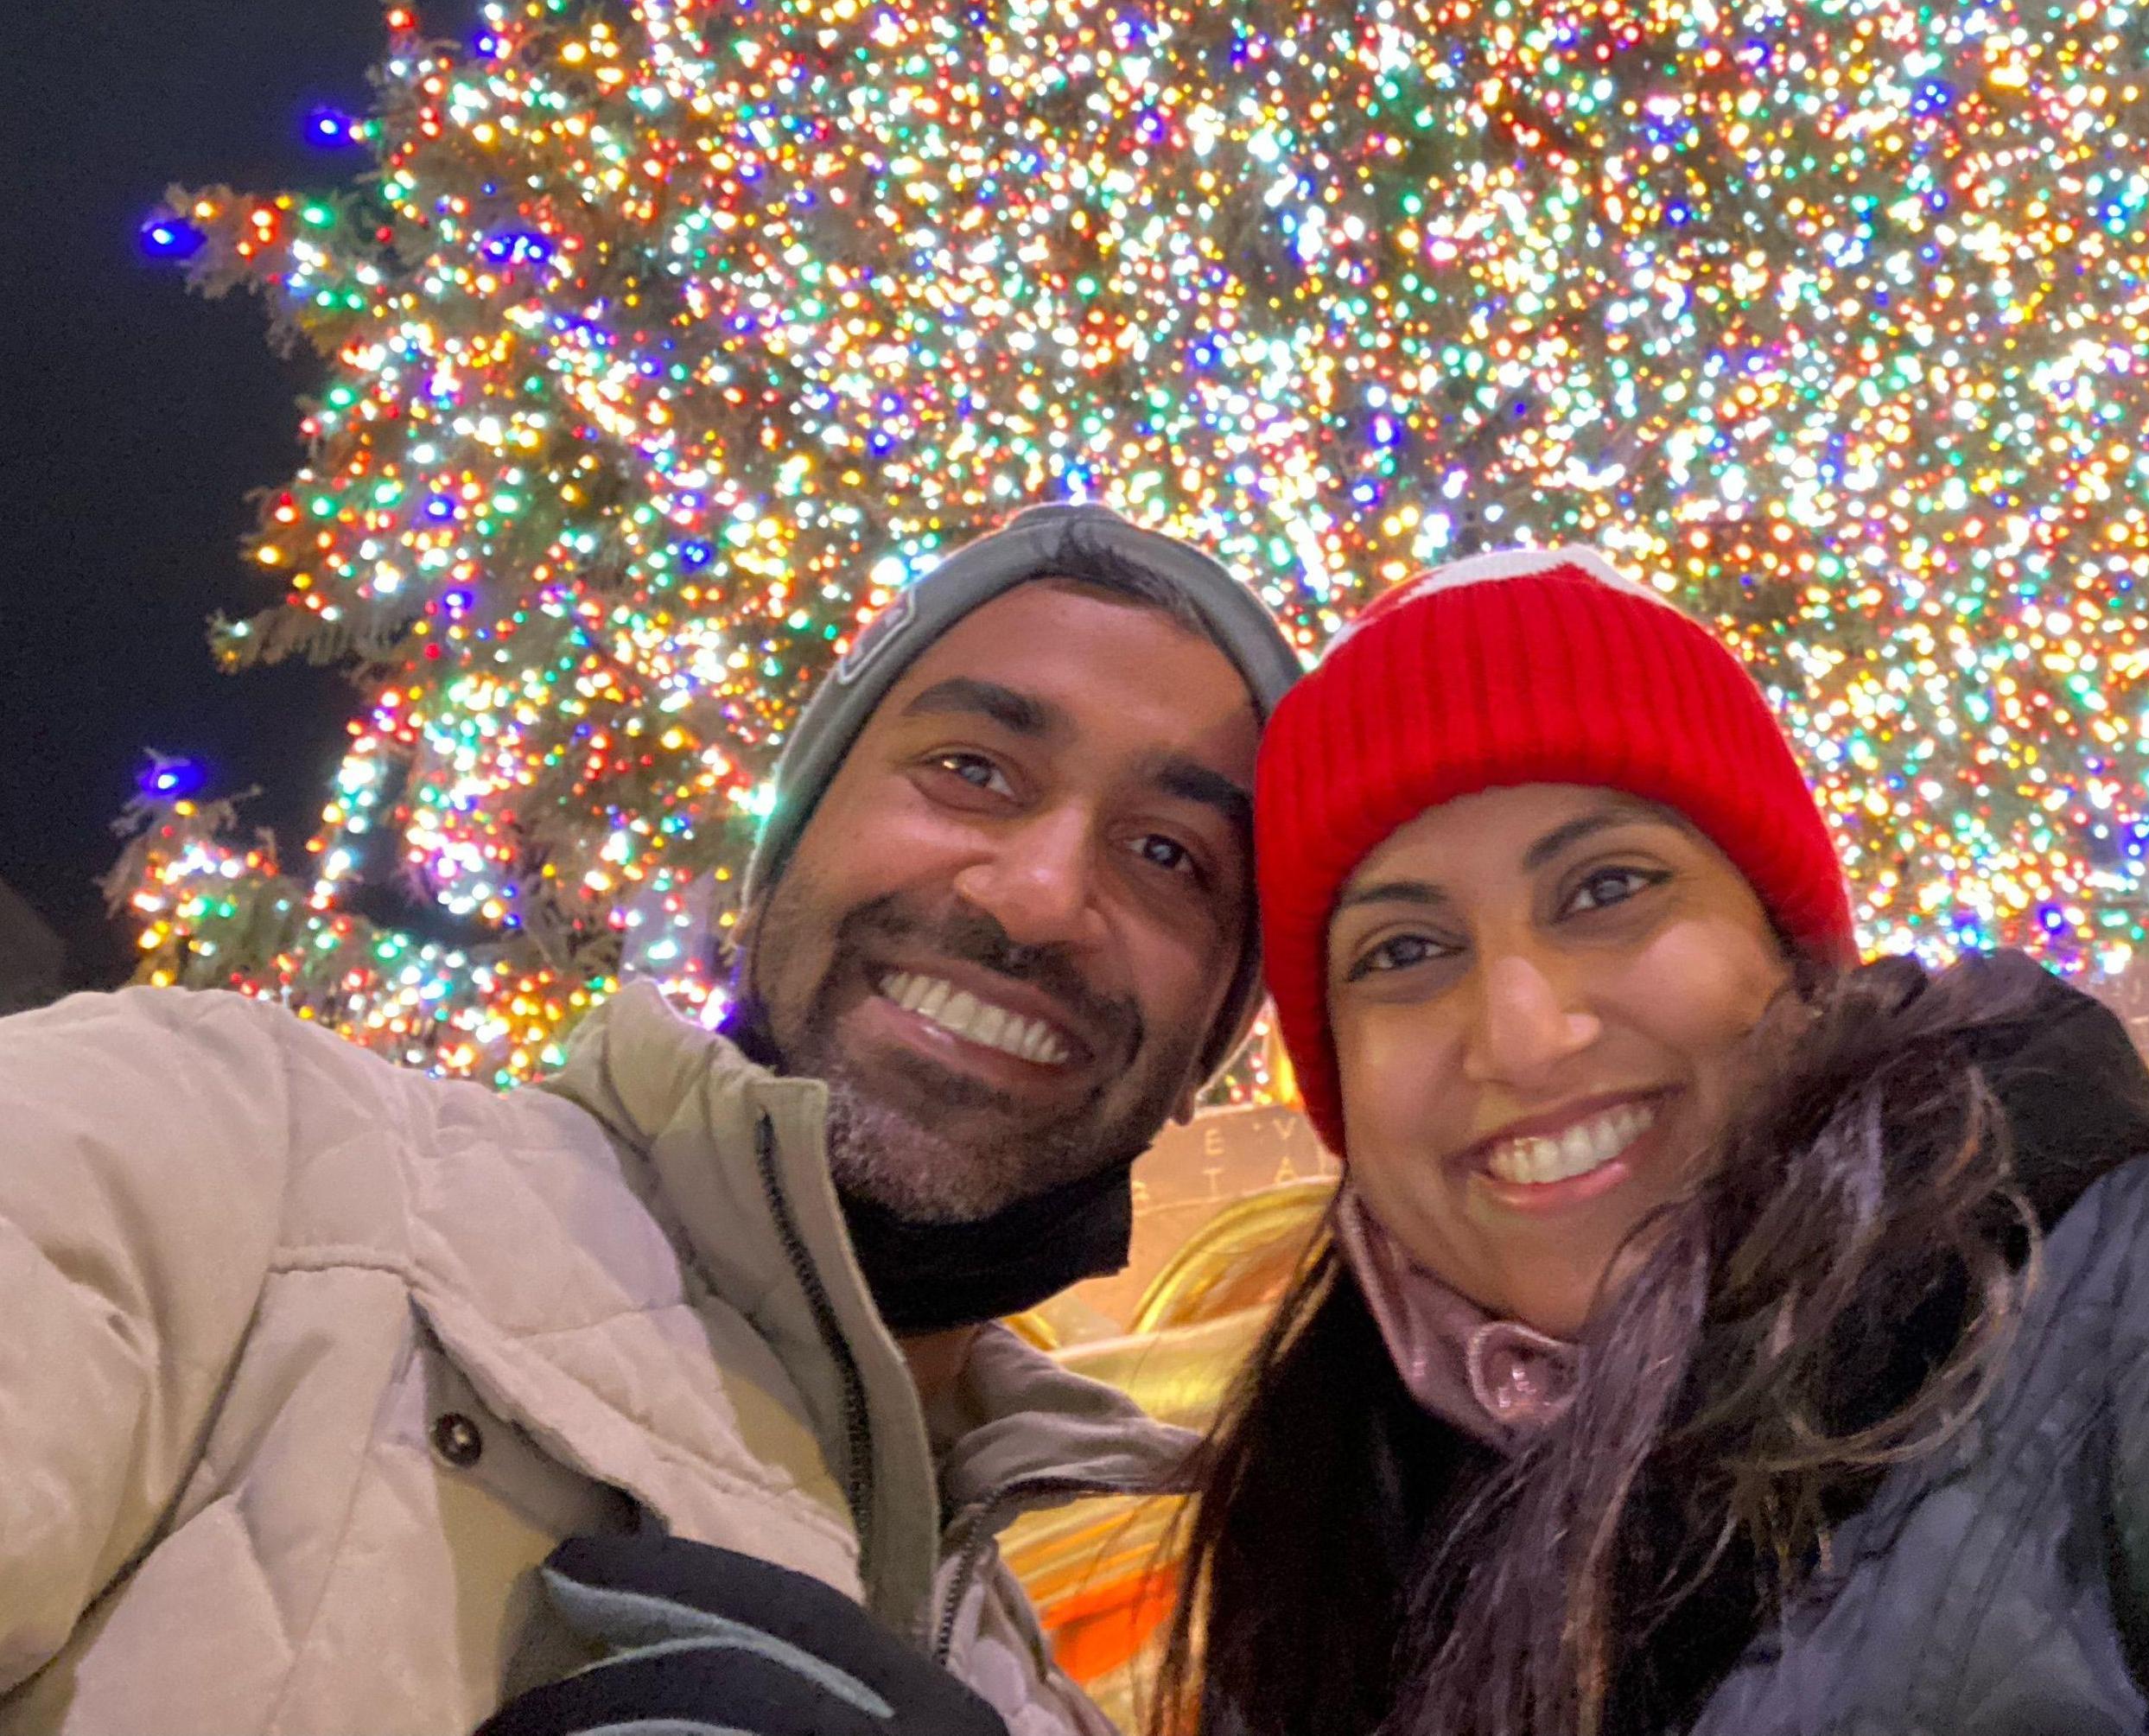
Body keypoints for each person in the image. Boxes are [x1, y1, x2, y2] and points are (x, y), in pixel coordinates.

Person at [1160, 547, 2149, 1736]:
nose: (1522, 1029)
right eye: (1405, 948)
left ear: (1788, 955)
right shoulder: (1313, 1561)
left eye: (1607, 885)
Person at [0, 505, 1299, 1736]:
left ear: (1208, 1046)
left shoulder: (1047, 1687)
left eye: (1171, 855)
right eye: (972, 769)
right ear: (783, 848)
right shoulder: (215, 1151)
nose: (1036, 896)